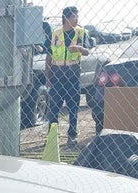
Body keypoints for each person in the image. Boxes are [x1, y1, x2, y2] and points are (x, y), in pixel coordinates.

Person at [45, 6, 90, 149]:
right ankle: (52, 137)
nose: (76, 19)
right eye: (74, 16)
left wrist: (79, 48)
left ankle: (72, 135)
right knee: (54, 108)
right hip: (57, 76)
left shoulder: (81, 32)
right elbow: (49, 56)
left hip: (73, 76)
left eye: (77, 16)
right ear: (66, 18)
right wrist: (47, 78)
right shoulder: (55, 33)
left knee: (73, 108)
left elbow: (87, 51)